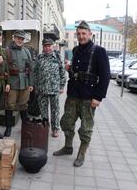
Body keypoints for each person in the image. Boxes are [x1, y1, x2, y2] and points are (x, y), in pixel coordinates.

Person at [53, 21, 110, 167]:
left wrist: (98, 97)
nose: (81, 36)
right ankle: (68, 147)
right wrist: (69, 69)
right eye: (78, 34)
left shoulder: (99, 51)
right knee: (66, 122)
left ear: (90, 34)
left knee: (86, 128)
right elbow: (77, 71)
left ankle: (81, 154)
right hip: (73, 94)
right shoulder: (76, 50)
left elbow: (105, 76)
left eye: (84, 33)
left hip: (88, 96)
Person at [34, 38, 66, 137]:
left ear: (53, 46)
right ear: (43, 47)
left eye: (49, 46)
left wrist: (61, 86)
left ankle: (55, 129)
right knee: (43, 110)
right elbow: (35, 72)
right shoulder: (39, 57)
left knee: (55, 110)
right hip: (42, 89)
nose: (47, 48)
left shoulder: (57, 57)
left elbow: (62, 72)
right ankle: (44, 127)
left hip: (54, 89)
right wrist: (36, 85)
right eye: (45, 46)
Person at [4, 30, 34, 137]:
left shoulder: (27, 51)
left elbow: (30, 68)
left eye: (22, 39)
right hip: (12, 82)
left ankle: (25, 127)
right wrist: (7, 83)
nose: (20, 40)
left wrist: (31, 84)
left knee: (24, 104)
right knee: (9, 105)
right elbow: (5, 69)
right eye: (18, 38)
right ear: (14, 38)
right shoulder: (7, 51)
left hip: (25, 82)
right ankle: (8, 128)